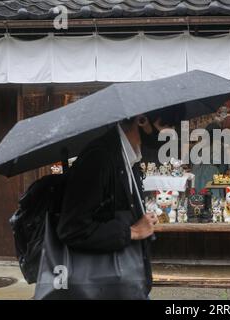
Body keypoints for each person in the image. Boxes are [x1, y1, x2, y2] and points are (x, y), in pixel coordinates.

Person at [56, 115, 158, 299]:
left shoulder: (129, 157)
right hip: (103, 285)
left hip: (128, 281)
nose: (166, 133)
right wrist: (132, 231)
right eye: (163, 125)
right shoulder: (98, 158)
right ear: (142, 120)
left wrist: (142, 221)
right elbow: (72, 228)